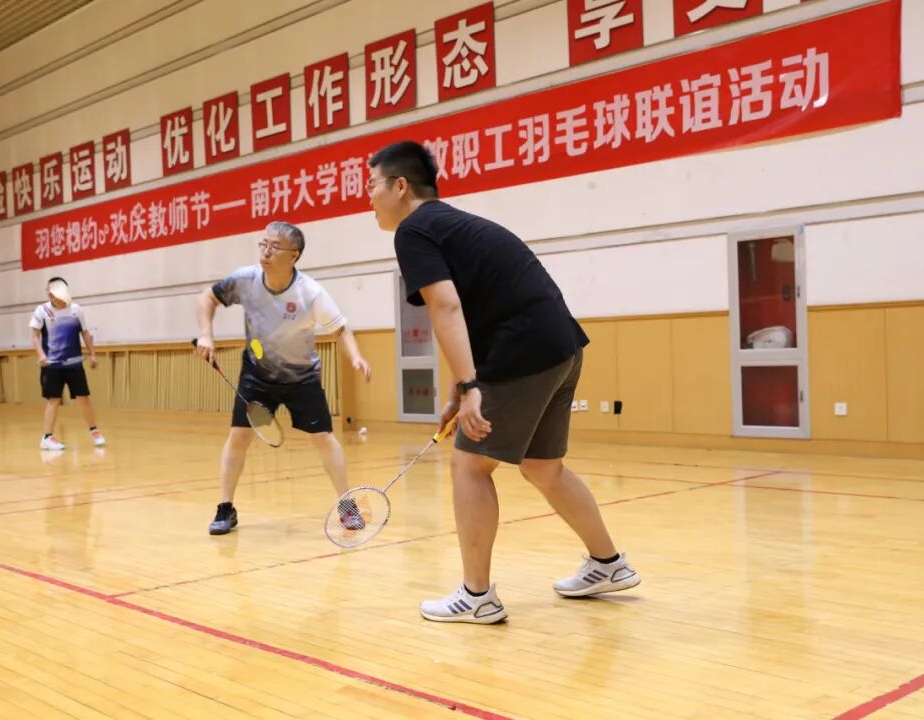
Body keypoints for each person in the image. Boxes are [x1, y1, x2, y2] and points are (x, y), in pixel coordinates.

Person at [367, 140, 640, 624]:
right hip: (560, 345)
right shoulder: (452, 224)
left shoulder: (414, 230)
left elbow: (446, 307)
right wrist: (460, 388)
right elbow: (471, 312)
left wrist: (472, 387)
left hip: (522, 350)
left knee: (469, 466)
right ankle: (608, 563)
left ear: (400, 186)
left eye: (372, 185)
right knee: (542, 466)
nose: (368, 197)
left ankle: (477, 596)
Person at [195, 220, 372, 536]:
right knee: (239, 437)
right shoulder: (246, 280)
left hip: (301, 377)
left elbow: (341, 328)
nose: (266, 251)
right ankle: (225, 507)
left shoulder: (309, 292)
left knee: (323, 439)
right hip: (257, 375)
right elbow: (207, 298)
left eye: (274, 247)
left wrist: (356, 356)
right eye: (263, 244)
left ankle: (347, 506)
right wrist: (206, 335)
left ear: (294, 256)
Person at [29, 277, 106, 451]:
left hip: (73, 363)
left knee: (84, 397)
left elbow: (85, 333)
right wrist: (41, 355)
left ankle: (94, 431)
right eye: (48, 290)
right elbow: (35, 336)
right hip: (52, 365)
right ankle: (47, 438)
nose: (50, 293)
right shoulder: (42, 310)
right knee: (53, 400)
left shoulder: (76, 310)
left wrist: (92, 354)